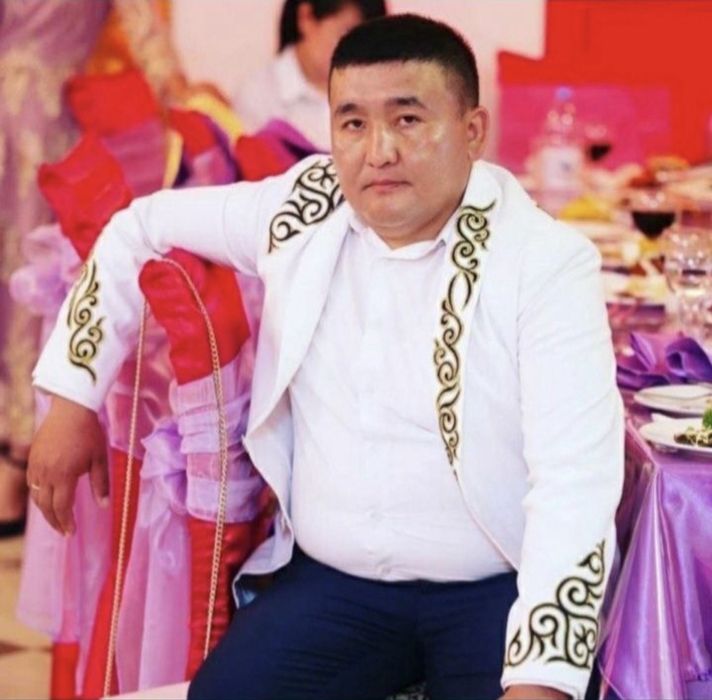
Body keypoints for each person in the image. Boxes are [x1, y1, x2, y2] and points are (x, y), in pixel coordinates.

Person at [27, 14, 624, 700]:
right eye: (353, 123)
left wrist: (541, 679)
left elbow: (574, 482)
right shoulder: (307, 209)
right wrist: (73, 394)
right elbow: (140, 227)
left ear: (472, 130)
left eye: (408, 120)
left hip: (494, 588)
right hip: (338, 588)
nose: (378, 151)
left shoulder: (545, 262)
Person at [0, 0, 191, 537]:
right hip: (31, 121)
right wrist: (180, 96)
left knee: (27, 276)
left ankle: (20, 454)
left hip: (42, 126)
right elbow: (145, 31)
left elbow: (144, 29)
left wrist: (182, 102)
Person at [233, 0, 387, 150]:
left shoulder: (378, 89)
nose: (356, 52)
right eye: (346, 35)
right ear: (306, 17)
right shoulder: (259, 97)